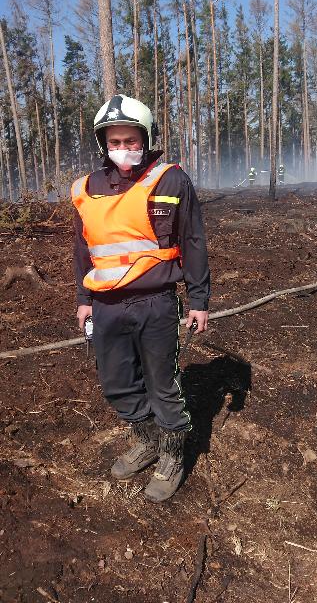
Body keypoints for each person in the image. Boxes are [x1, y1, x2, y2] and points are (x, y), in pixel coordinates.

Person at [71, 94, 211, 503]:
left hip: (156, 303)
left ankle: (171, 454)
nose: (123, 148)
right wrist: (83, 296)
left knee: (162, 383)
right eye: (114, 141)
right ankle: (147, 439)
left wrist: (199, 299)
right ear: (103, 144)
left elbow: (193, 240)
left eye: (131, 140)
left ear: (145, 138)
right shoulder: (86, 189)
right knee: (117, 383)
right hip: (106, 306)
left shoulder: (170, 179)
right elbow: (84, 249)